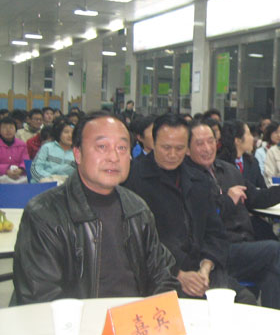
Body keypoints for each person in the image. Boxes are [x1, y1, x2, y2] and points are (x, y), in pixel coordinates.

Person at [13, 111, 180, 304]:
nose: (114, 157)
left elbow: (163, 275)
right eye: (102, 147)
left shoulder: (137, 208)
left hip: (135, 318)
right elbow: (41, 296)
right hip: (79, 321)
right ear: (78, 154)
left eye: (122, 148)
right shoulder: (44, 214)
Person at [185, 120, 280, 316]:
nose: (207, 148)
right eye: (200, 144)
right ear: (187, 149)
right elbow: (200, 221)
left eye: (211, 141)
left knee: (273, 274)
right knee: (274, 250)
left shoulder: (228, 170)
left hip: (245, 245)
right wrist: (226, 201)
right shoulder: (188, 179)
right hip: (217, 252)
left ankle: (274, 323)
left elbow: (257, 198)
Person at [124, 113, 255, 303]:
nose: (172, 154)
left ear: (187, 148)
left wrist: (205, 268)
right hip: (159, 275)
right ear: (153, 143)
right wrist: (178, 274)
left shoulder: (198, 180)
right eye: (166, 147)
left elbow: (215, 232)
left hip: (202, 270)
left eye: (179, 148)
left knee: (245, 301)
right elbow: (137, 243)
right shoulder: (134, 180)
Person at [219, 120, 266, 190]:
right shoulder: (220, 165)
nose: (252, 138)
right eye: (249, 134)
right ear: (238, 140)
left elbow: (263, 189)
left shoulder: (253, 162)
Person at [30, 119, 76, 183]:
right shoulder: (47, 147)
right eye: (66, 132)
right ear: (59, 133)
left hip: (65, 184)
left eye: (73, 133)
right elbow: (35, 168)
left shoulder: (78, 153)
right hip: (43, 183)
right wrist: (51, 179)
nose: (70, 135)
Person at [0, 116, 30, 184]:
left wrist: (20, 169)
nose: (8, 130)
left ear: (16, 130)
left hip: (19, 176)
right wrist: (6, 171)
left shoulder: (22, 145)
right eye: (4, 128)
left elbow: (25, 160)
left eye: (11, 128)